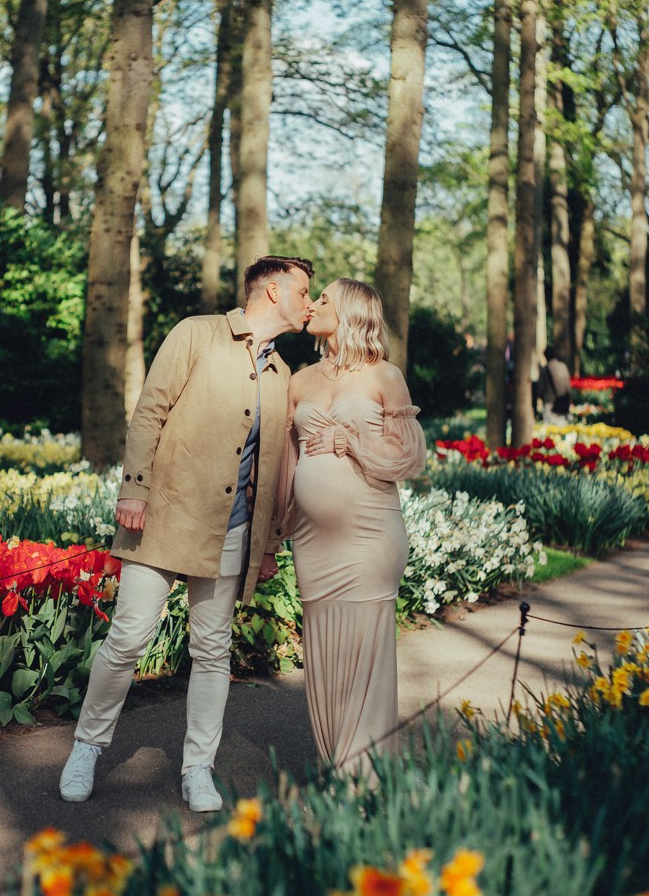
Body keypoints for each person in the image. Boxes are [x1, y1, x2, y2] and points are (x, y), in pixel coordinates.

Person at [59, 255, 315, 811]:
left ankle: (198, 769)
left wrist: (267, 544)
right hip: (165, 517)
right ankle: (86, 747)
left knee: (212, 649)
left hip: (235, 531)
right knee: (128, 636)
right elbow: (149, 412)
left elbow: (270, 468)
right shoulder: (196, 334)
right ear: (272, 291)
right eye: (302, 291)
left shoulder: (282, 375)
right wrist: (134, 488)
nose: (309, 303)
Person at [278, 278, 426, 777]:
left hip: (369, 538)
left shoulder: (386, 376)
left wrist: (352, 443)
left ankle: (363, 777)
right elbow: (285, 466)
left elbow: (408, 457)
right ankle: (336, 762)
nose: (313, 303)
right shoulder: (299, 381)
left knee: (366, 655)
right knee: (324, 656)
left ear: (350, 311)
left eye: (323, 298)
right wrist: (274, 530)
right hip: (314, 544)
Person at [538, 345, 571, 425]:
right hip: (563, 403)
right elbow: (568, 386)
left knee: (551, 432)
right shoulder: (563, 366)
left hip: (550, 404)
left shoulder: (546, 369)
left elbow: (540, 388)